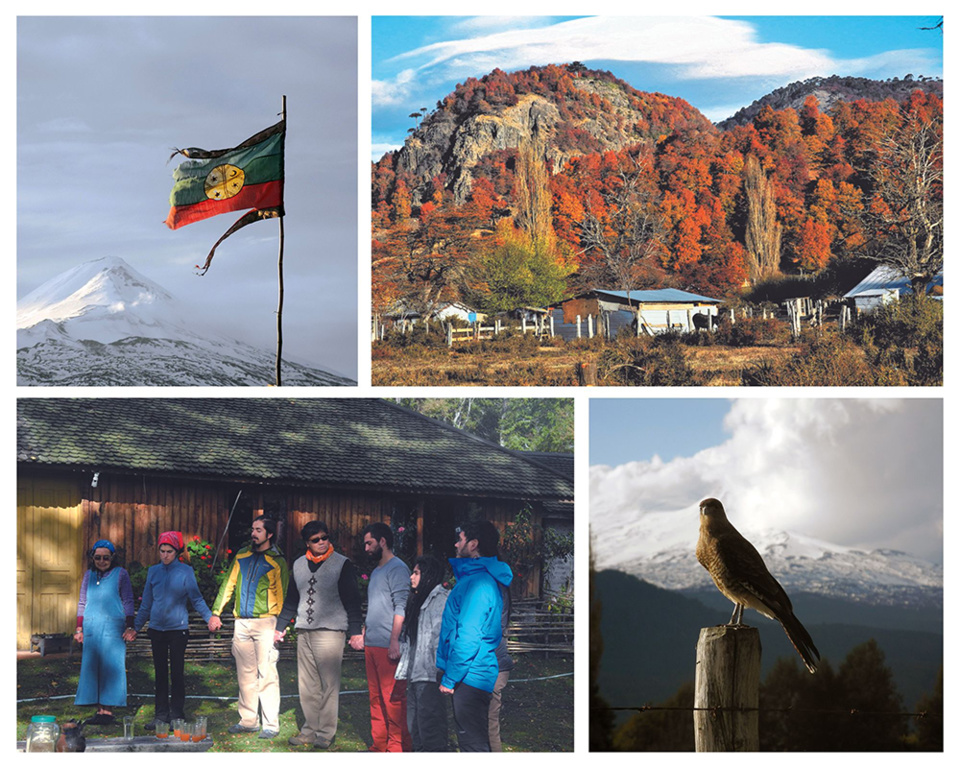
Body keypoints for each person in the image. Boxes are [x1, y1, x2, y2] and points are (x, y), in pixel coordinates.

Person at [275, 521, 363, 749]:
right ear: (307, 543)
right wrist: (280, 626)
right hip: (304, 630)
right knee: (307, 684)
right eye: (316, 539)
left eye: (324, 537)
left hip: (331, 632)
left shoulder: (342, 564)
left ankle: (325, 732)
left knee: (329, 684)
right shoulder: (298, 565)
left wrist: (355, 631)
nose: (322, 542)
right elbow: (292, 600)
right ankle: (309, 730)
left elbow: (353, 600)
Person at [437, 521, 513, 752]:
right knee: (474, 739)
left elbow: (468, 636)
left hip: (472, 673)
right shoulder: (475, 579)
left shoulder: (479, 584)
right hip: (471, 671)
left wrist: (451, 678)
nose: (455, 543)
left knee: (475, 743)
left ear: (473, 544)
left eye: (460, 539)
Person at [210, 516, 288, 739]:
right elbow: (229, 583)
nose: (253, 533)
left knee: (267, 673)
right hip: (241, 623)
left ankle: (271, 724)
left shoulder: (277, 560)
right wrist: (216, 612)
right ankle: (248, 720)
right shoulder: (242, 555)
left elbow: (283, 594)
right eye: (252, 529)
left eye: (258, 530)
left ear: (269, 534)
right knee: (245, 675)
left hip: (266, 622)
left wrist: (281, 626)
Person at [132, 531, 217, 730]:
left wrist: (209, 617)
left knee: (177, 673)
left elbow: (196, 599)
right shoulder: (153, 571)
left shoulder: (186, 572)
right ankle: (161, 716)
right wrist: (134, 627)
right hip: (156, 630)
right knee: (160, 674)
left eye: (169, 551)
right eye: (162, 551)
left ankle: (177, 715)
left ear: (177, 552)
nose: (165, 555)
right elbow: (146, 604)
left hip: (178, 631)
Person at [350, 522, 411, 752]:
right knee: (375, 699)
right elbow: (376, 606)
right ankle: (379, 745)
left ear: (382, 541)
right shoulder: (376, 572)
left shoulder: (398, 568)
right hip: (372, 645)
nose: (366, 548)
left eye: (369, 543)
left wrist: (394, 641)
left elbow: (401, 606)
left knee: (393, 700)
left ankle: (397, 748)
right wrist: (365, 631)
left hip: (389, 646)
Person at [73, 539, 136, 725]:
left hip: (113, 628)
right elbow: (82, 602)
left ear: (112, 557)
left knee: (112, 667)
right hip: (91, 628)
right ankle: (99, 711)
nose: (102, 561)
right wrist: (79, 628)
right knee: (93, 668)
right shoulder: (88, 576)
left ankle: (108, 712)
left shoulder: (121, 574)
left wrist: (130, 625)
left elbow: (128, 601)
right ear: (92, 557)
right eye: (98, 557)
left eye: (106, 557)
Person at [396, 554, 450, 751]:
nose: (411, 577)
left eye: (416, 573)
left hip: (431, 675)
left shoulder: (441, 600)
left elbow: (441, 638)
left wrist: (441, 671)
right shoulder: (418, 600)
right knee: (415, 726)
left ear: (428, 575)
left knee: (430, 728)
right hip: (415, 673)